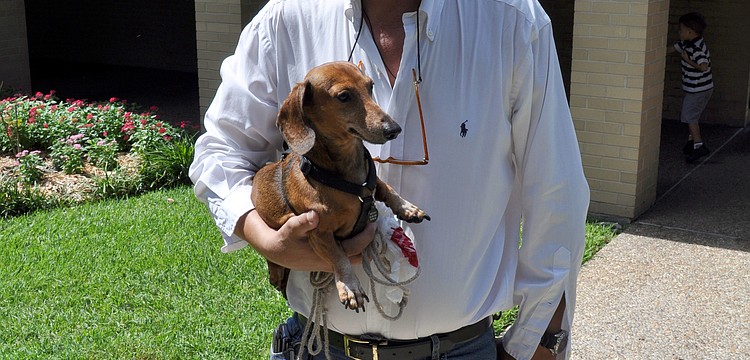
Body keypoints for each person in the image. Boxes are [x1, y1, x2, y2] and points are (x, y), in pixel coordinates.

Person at [189, 0, 590, 359]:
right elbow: (222, 150)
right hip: (318, 346)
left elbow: (558, 192)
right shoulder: (287, 17)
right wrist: (265, 238)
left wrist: (539, 344)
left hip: (462, 350)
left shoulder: (512, 20)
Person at [667, 12, 713, 163]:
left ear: (689, 32)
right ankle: (692, 142)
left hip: (699, 90)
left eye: (680, 29)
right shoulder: (687, 44)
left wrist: (687, 60)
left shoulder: (696, 48)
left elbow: (703, 67)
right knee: (691, 116)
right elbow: (672, 49)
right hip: (697, 89)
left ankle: (699, 146)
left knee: (689, 116)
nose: (678, 32)